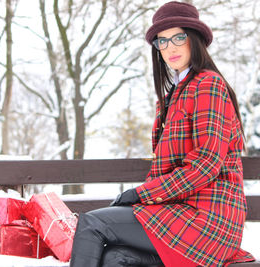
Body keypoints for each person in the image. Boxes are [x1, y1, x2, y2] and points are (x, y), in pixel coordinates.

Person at [69, 1, 256, 266]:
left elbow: (206, 164)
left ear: (195, 39)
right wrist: (143, 198)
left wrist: (141, 194)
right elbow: (165, 171)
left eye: (178, 37)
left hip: (208, 219)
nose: (170, 47)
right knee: (115, 257)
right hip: (177, 212)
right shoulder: (171, 97)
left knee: (92, 222)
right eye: (162, 41)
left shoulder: (208, 84)